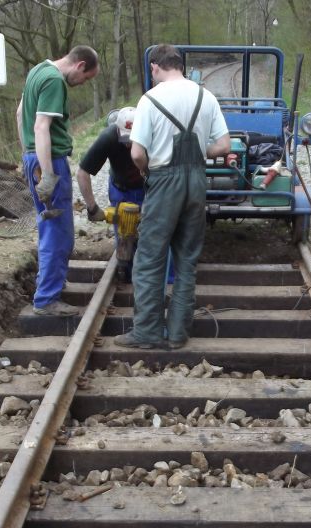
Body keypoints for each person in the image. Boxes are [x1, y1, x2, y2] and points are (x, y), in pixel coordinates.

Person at [115, 44, 231, 350]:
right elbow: (223, 145)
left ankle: (147, 333)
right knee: (187, 260)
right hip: (196, 182)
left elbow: (138, 153)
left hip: (164, 181)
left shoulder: (150, 99)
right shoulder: (206, 96)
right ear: (180, 65)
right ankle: (178, 334)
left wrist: (145, 171)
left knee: (150, 259)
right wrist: (197, 154)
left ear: (155, 67)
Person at [17, 45, 99, 316]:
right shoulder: (54, 81)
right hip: (49, 161)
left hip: (35, 158)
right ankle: (47, 299)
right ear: (80, 65)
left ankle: (50, 285)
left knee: (48, 226)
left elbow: (20, 114)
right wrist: (48, 172)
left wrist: (27, 154)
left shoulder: (38, 70)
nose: (81, 84)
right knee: (58, 231)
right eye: (85, 78)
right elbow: (41, 126)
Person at [77, 107, 175, 284]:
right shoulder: (109, 137)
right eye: (125, 140)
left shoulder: (156, 136)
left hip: (148, 187)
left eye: (133, 139)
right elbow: (83, 173)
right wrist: (93, 208)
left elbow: (168, 172)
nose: (129, 145)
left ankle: (164, 280)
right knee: (125, 235)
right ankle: (127, 275)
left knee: (157, 234)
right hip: (120, 188)